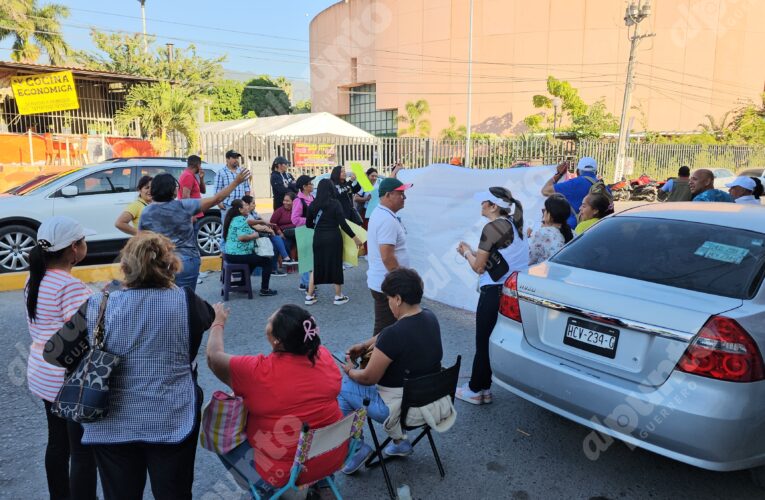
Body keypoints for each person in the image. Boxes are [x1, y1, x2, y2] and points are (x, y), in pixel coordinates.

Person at [43, 232, 214, 500]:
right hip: (172, 418)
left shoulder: (98, 305)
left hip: (111, 422)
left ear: (125, 267)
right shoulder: (188, 301)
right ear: (171, 265)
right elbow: (206, 322)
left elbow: (56, 353)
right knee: (174, 493)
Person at [206, 304, 346, 495]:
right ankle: (320, 483)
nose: (268, 320)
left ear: (277, 341)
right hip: (332, 455)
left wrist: (217, 322)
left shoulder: (257, 371)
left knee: (217, 427)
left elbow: (213, 357)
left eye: (270, 321)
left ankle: (267, 490)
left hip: (286, 472)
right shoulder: (324, 356)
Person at [338, 268, 447, 474]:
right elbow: (388, 334)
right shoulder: (430, 317)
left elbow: (368, 377)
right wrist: (365, 344)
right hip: (432, 401)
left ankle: (357, 448)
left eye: (388, 298)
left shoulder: (394, 334)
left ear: (397, 299)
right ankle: (400, 443)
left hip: (401, 410)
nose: (388, 303)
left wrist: (350, 370)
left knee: (341, 387)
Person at [25, 216, 97, 500]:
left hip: (43, 373)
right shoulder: (70, 287)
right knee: (81, 450)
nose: (84, 245)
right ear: (73, 249)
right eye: (83, 241)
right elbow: (85, 334)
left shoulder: (36, 278)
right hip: (69, 379)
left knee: (57, 443)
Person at [456, 187, 528, 405]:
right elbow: (497, 257)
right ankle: (484, 388)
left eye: (484, 202)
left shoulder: (493, 227)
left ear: (493, 206)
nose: (481, 206)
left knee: (483, 341)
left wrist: (466, 253)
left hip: (494, 291)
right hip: (511, 291)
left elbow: (479, 268)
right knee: (489, 340)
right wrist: (475, 252)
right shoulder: (514, 225)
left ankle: (475, 389)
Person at [139, 169, 250, 291]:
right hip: (186, 261)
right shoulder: (184, 206)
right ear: (172, 190)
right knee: (187, 299)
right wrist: (236, 182)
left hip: (160, 262)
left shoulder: (146, 212)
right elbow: (216, 199)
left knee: (166, 300)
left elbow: (141, 242)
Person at [305, 178, 363, 306]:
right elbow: (343, 224)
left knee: (316, 265)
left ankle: (309, 296)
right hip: (333, 237)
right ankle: (338, 296)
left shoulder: (313, 205)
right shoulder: (335, 203)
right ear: (331, 189)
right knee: (336, 265)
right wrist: (355, 238)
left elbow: (308, 224)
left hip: (318, 237)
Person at [366, 177, 412, 336]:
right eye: (400, 194)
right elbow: (387, 257)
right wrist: (402, 281)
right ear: (388, 195)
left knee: (388, 330)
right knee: (383, 333)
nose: (404, 198)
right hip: (388, 286)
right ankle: (368, 360)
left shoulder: (382, 214)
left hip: (384, 283)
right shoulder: (386, 219)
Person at [222, 199, 277, 296]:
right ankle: (265, 290)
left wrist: (262, 222)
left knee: (253, 260)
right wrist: (256, 235)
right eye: (245, 205)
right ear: (240, 209)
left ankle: (243, 283)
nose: (247, 206)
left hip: (230, 254)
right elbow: (242, 237)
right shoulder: (241, 220)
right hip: (238, 255)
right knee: (267, 262)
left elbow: (250, 222)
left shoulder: (235, 218)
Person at [541, 157, 607, 228]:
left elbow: (545, 190)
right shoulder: (603, 186)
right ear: (596, 172)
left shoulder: (574, 184)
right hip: (598, 227)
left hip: (574, 228)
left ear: (578, 171)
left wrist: (559, 174)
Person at [241, 195, 291, 277]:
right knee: (276, 240)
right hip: (254, 236)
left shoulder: (253, 212)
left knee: (276, 241)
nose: (255, 205)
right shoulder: (246, 215)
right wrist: (268, 229)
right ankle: (283, 260)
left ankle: (278, 264)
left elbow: (262, 220)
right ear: (247, 204)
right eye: (253, 203)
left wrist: (266, 226)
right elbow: (256, 226)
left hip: (259, 234)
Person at [528, 194, 574, 265]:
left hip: (547, 272)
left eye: (545, 210)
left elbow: (531, 259)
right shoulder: (573, 233)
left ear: (550, 215)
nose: (543, 213)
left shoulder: (543, 232)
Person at [291, 175, 315, 292]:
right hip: (303, 231)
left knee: (310, 257)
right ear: (304, 187)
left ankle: (304, 282)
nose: (312, 185)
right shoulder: (298, 200)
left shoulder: (312, 197)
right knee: (306, 257)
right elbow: (294, 219)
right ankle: (306, 284)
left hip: (311, 230)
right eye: (310, 183)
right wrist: (310, 220)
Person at [215, 150, 251, 216]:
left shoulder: (242, 172)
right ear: (227, 159)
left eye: (237, 158)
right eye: (234, 157)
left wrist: (247, 203)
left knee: (241, 226)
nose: (236, 160)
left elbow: (247, 188)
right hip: (227, 206)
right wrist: (219, 203)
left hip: (241, 207)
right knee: (227, 226)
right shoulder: (221, 172)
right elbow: (217, 189)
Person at [178, 154, 206, 228]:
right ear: (198, 165)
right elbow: (185, 197)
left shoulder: (191, 175)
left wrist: (201, 178)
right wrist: (191, 215)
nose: (201, 167)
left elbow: (203, 191)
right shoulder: (188, 176)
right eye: (200, 165)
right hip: (193, 215)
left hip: (195, 213)